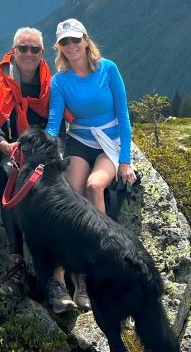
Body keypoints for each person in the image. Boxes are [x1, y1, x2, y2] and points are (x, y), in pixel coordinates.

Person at [0, 27, 75, 310]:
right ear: (13, 51)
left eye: (34, 49)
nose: (28, 54)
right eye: (23, 48)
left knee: (18, 174)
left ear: (42, 53)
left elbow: (56, 125)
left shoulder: (50, 86)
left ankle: (31, 267)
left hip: (28, 153)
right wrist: (5, 146)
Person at [45, 17, 137, 311]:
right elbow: (54, 120)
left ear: (86, 40)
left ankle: (98, 265)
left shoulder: (108, 69)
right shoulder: (60, 80)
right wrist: (43, 149)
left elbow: (123, 114)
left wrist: (125, 161)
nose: (71, 46)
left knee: (94, 186)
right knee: (69, 200)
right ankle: (60, 280)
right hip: (80, 141)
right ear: (59, 47)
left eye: (75, 40)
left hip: (109, 141)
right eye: (64, 42)